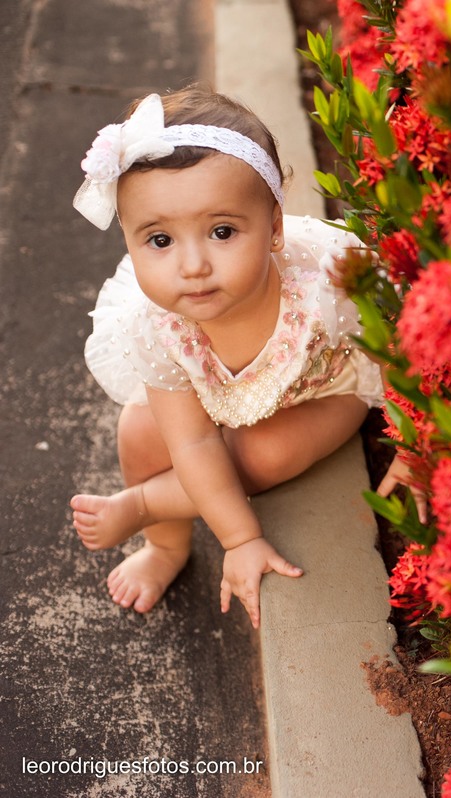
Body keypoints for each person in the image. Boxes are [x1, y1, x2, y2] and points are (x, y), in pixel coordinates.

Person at [69, 86, 423, 628]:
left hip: (324, 388)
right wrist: (240, 540)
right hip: (219, 394)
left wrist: (417, 441)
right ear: (128, 240)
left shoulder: (326, 286)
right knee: (139, 431)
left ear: (275, 228)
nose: (192, 266)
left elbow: (401, 349)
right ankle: (166, 547)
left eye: (222, 232)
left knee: (263, 453)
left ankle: (141, 505)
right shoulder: (155, 321)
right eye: (159, 240)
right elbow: (190, 439)